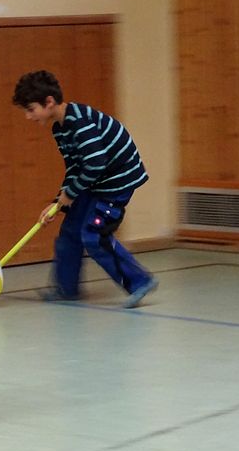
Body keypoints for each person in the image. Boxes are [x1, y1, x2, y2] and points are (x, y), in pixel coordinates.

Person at [12, 70, 157, 308]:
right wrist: (58, 201)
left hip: (116, 182)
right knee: (70, 232)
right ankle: (66, 289)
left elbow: (96, 163)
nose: (28, 116)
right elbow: (76, 167)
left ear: (49, 102)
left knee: (93, 235)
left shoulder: (79, 122)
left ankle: (140, 282)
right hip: (94, 180)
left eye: (30, 109)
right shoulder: (59, 128)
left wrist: (69, 195)